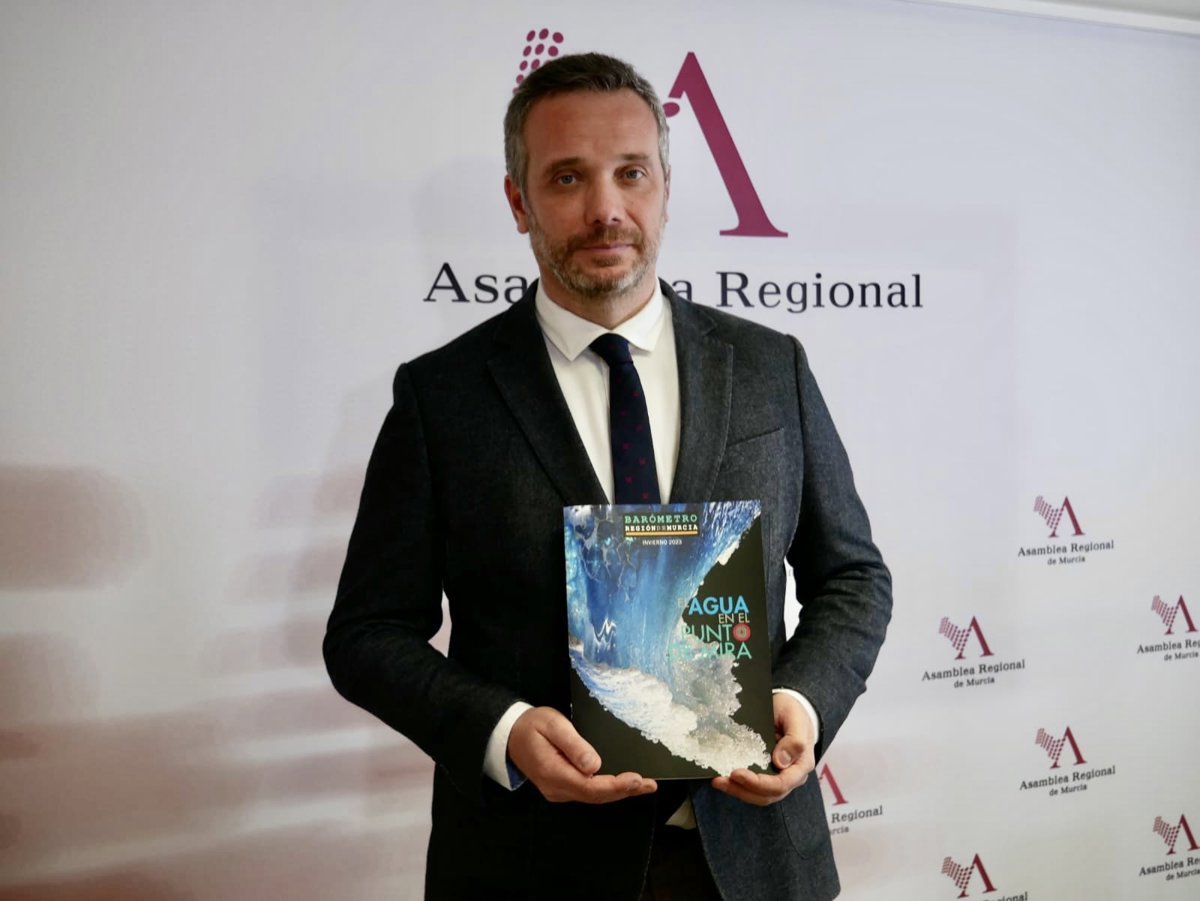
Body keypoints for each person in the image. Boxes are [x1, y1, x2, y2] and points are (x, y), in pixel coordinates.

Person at [325, 52, 891, 901]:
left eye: (631, 172)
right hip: (531, 866)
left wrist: (802, 702)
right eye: (567, 178)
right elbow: (367, 633)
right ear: (518, 201)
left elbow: (853, 578)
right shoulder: (442, 397)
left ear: (664, 185)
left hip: (757, 863)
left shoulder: (770, 368)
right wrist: (504, 730)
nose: (606, 209)